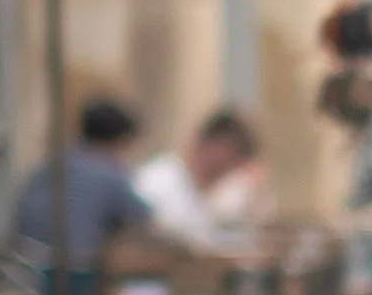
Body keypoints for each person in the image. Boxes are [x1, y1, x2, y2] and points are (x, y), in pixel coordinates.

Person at [14, 94, 149, 281]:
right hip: (72, 276)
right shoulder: (109, 173)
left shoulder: (50, 163)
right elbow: (143, 218)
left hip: (23, 270)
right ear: (122, 140)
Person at [135, 108, 267, 246]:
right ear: (208, 142)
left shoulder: (233, 191)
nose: (232, 164)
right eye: (232, 151)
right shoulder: (156, 181)